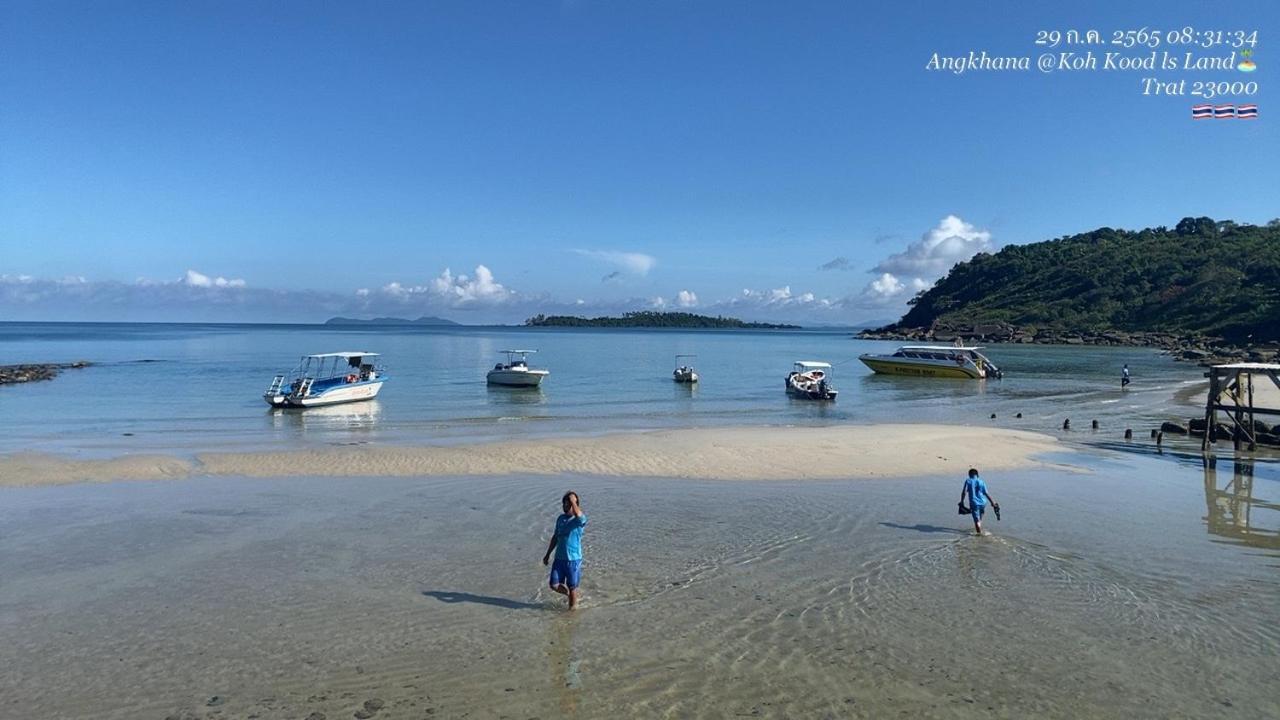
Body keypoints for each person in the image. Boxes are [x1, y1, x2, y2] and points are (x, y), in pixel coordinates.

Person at [542, 491, 588, 610]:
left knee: (572, 586)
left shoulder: (579, 520)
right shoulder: (560, 519)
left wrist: (573, 500)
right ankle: (571, 595)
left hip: (573, 560)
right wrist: (547, 555)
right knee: (554, 585)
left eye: (568, 504)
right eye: (564, 504)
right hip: (559, 559)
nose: (565, 506)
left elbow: (578, 514)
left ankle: (572, 614)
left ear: (574, 505)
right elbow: (555, 537)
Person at [959, 468, 999, 535]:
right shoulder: (981, 481)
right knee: (981, 514)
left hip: (974, 503)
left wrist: (962, 501)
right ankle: (979, 523)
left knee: (976, 520)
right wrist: (993, 503)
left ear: (969, 474)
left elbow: (964, 492)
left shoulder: (968, 481)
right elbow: (986, 493)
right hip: (983, 502)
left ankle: (979, 534)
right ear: (977, 474)